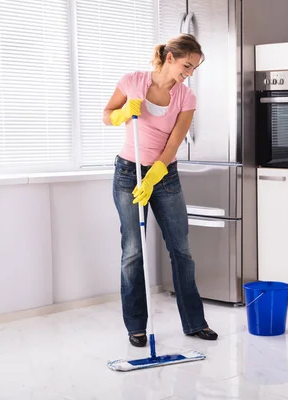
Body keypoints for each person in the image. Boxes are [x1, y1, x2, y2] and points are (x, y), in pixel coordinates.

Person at [102, 33, 218, 347]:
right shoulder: (132, 82)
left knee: (181, 250)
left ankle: (194, 323)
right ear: (170, 58)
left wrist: (155, 174)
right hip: (128, 173)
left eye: (194, 68)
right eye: (187, 65)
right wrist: (123, 114)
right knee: (133, 252)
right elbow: (106, 115)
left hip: (164, 175)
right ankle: (136, 327)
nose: (189, 73)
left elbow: (174, 142)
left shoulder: (185, 97)